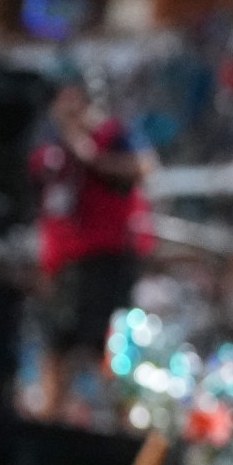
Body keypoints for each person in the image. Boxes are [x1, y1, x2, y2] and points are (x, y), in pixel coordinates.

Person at [33, 77, 154, 417]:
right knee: (57, 345)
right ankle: (52, 423)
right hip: (64, 264)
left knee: (108, 347)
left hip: (107, 259)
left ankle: (118, 421)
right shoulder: (50, 150)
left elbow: (143, 166)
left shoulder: (113, 136)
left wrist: (93, 157)